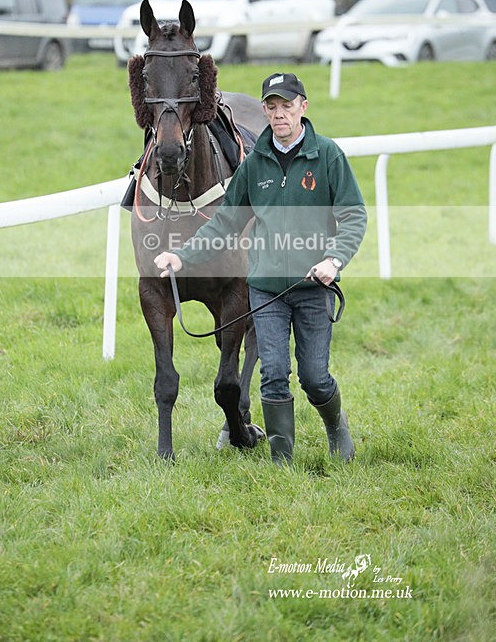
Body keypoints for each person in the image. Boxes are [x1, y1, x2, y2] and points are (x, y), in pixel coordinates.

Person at [154, 73, 367, 465]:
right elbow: (225, 223)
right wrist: (182, 256)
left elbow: (353, 215)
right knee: (273, 375)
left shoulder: (328, 156)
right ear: (265, 111)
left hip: (313, 287)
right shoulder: (253, 164)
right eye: (272, 107)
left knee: (315, 379)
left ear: (303, 107)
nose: (279, 114)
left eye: (287, 105)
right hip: (267, 291)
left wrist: (334, 259)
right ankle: (281, 461)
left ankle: (336, 427)